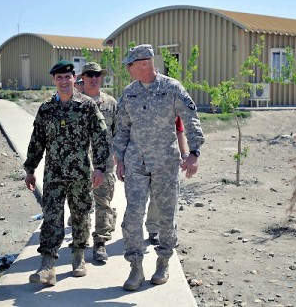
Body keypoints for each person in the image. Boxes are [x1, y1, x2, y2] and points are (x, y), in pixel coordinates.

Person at [114, 44, 204, 291]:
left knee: (166, 216)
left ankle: (163, 263)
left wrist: (193, 153)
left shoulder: (172, 88)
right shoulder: (129, 93)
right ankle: (135, 267)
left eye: (129, 64)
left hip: (165, 163)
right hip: (136, 163)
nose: (127, 69)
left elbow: (191, 120)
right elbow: (121, 130)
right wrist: (119, 159)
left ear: (144, 63)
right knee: (132, 215)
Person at [23, 60, 109, 286]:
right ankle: (47, 265)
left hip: (81, 174)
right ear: (54, 80)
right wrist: (30, 169)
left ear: (74, 79)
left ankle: (79, 257)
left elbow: (101, 138)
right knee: (52, 217)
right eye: (58, 78)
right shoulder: (46, 109)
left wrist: (100, 167)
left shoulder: (88, 106)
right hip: (53, 175)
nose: (63, 82)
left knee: (80, 215)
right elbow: (37, 141)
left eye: (67, 77)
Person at [80, 62, 118, 262]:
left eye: (97, 75)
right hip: (79, 162)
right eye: (90, 75)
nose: (94, 78)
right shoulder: (74, 101)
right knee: (81, 202)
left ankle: (100, 242)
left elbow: (117, 133)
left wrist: (117, 157)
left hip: (104, 161)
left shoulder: (110, 103)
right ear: (83, 77)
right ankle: (81, 238)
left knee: (103, 201)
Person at [145, 116, 188, 245]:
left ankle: (170, 233)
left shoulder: (172, 105)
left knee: (171, 197)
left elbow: (180, 132)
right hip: (145, 158)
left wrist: (185, 154)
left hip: (169, 159)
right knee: (154, 196)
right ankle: (153, 229)